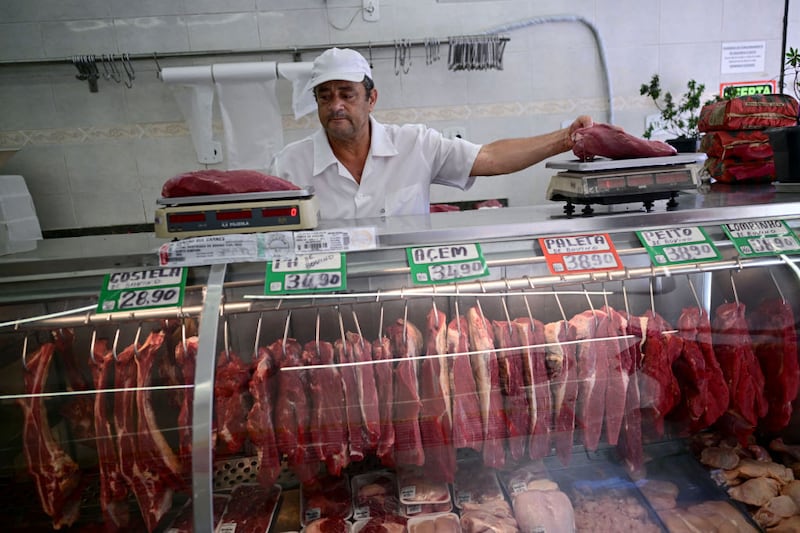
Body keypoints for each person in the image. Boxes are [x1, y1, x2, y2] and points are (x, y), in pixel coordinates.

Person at [269, 47, 593, 220]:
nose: (336, 105)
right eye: (325, 96)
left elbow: (491, 158)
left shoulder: (414, 144)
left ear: (371, 99)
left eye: (346, 94)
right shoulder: (289, 166)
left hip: (406, 298)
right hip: (327, 304)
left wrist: (564, 139)